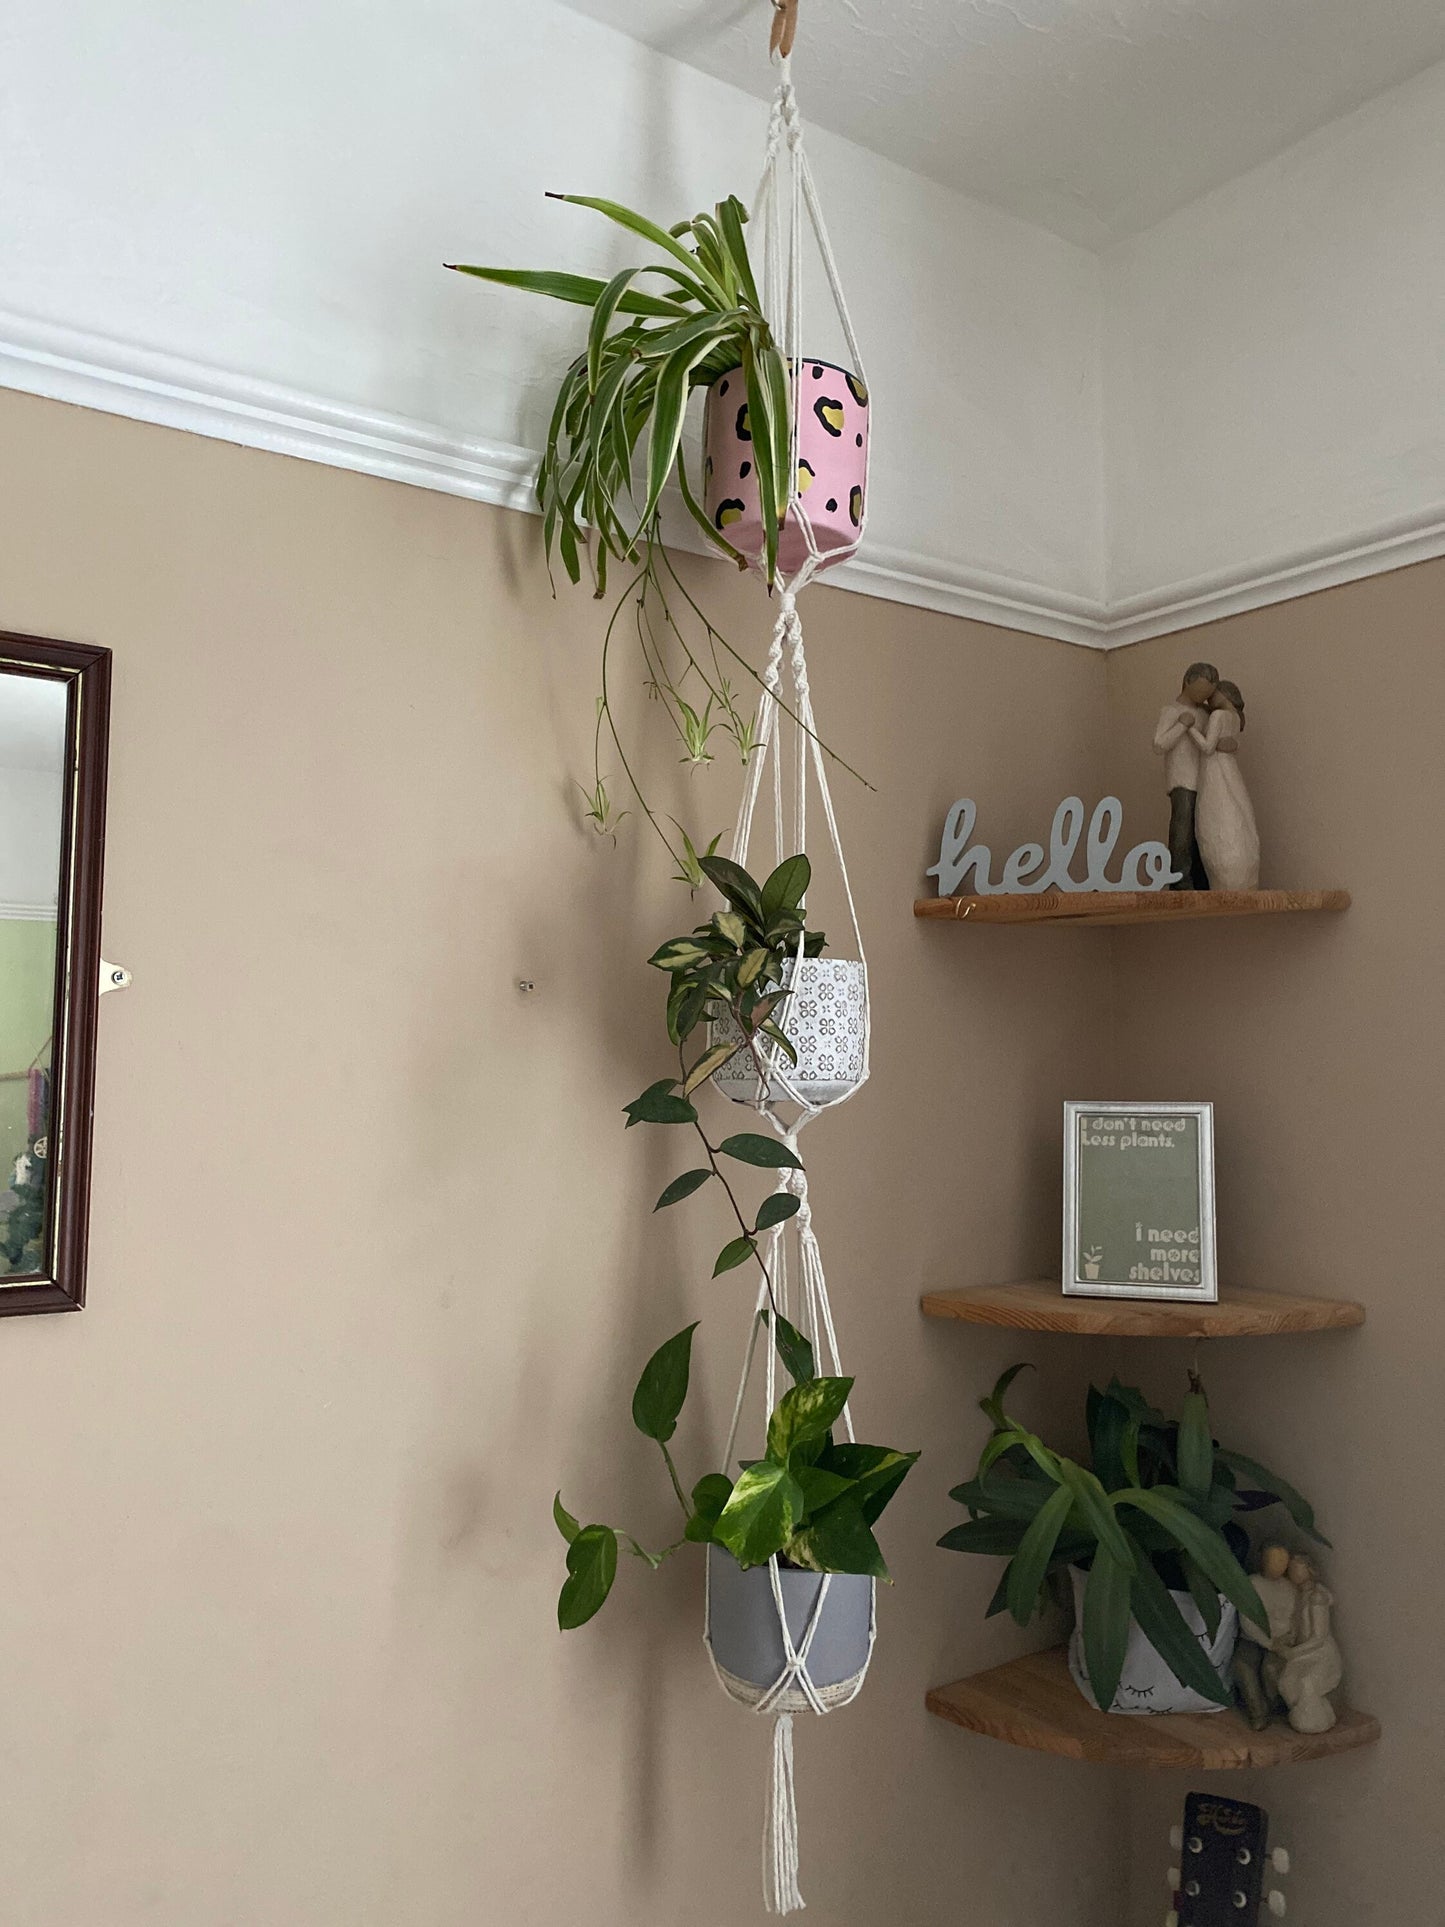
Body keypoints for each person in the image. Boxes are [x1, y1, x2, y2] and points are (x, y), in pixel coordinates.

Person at [1152, 662, 1218, 889]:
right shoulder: (1172, 711)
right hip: (1182, 780)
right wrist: (1181, 726)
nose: (1203, 697)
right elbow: (1159, 744)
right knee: (1182, 830)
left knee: (1202, 831)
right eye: (1200, 690)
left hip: (1205, 781)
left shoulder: (1205, 714)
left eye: (1207, 693)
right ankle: (1180, 880)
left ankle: (1201, 880)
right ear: (1188, 682)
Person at [1189, 680, 1260, 890]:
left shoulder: (1218, 716)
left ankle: (1226, 878)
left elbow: (1207, 747)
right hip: (1230, 769)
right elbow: (1232, 745)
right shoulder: (1235, 718)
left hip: (1214, 769)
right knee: (1239, 810)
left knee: (1217, 815)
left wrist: (1190, 728)